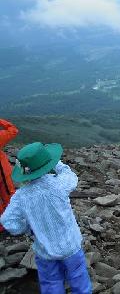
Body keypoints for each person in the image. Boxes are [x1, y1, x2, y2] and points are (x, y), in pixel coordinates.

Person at [0, 142, 92, 294]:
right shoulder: (59, 184)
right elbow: (71, 176)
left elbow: (7, 222)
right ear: (47, 165)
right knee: (80, 281)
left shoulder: (21, 197)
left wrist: (27, 226)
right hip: (71, 247)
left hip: (45, 252)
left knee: (51, 284)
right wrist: (56, 163)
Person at [0, 119, 18, 232]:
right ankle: (13, 221)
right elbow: (13, 130)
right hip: (3, 174)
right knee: (10, 198)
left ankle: (2, 225)